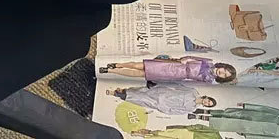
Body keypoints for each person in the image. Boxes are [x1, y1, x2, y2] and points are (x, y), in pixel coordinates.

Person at [190, 103, 279, 136]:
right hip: (250, 114)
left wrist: (246, 135)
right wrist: (247, 106)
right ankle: (202, 111)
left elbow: (262, 138)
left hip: (248, 127)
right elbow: (264, 109)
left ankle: (197, 117)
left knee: (223, 123)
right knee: (226, 114)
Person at [99, 57, 238, 85]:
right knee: (139, 65)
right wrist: (185, 59)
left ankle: (111, 71)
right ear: (223, 66)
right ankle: (117, 64)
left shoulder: (208, 79)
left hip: (175, 75)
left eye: (225, 75)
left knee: (141, 74)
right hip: (174, 65)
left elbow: (191, 81)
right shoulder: (209, 62)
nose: (222, 73)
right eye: (224, 70)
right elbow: (192, 57)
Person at [108, 83, 217, 115]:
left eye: (208, 104)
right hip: (162, 92)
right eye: (209, 101)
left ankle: (117, 94)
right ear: (207, 97)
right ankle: (123, 91)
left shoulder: (191, 108)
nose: (207, 102)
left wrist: (162, 108)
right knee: (141, 90)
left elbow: (175, 112)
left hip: (161, 103)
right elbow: (177, 86)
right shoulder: (193, 91)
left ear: (205, 106)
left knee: (140, 100)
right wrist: (161, 85)